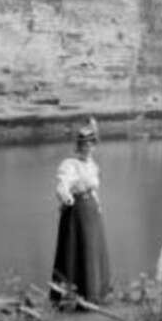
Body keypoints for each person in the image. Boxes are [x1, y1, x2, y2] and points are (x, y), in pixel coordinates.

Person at [51, 118, 112, 305]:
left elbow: (93, 189)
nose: (87, 148)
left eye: (90, 144)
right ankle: (72, 296)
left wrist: (98, 205)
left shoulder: (93, 165)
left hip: (92, 210)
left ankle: (96, 294)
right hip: (76, 212)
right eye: (83, 145)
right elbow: (62, 184)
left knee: (94, 249)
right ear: (78, 146)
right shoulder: (70, 164)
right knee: (76, 250)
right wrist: (66, 197)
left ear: (94, 145)